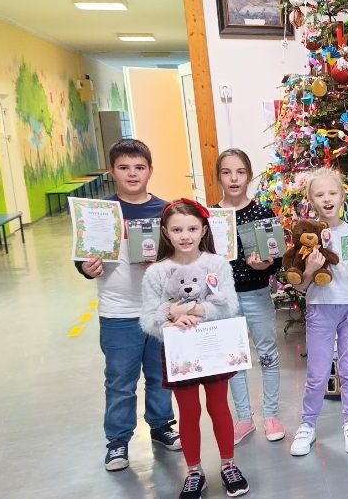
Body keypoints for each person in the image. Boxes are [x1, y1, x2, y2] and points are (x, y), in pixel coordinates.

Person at [74, 138, 181, 471]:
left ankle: (162, 426)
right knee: (120, 379)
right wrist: (85, 268)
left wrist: (162, 267)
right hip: (117, 312)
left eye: (139, 167)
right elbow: (83, 258)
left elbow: (182, 258)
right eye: (124, 168)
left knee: (161, 375)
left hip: (159, 310)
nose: (132, 174)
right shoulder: (99, 213)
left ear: (150, 170)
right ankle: (118, 442)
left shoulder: (165, 211)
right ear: (112, 171)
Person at [140, 199, 249, 498]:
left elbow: (230, 305)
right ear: (165, 232)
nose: (185, 235)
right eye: (177, 229)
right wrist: (170, 315)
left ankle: (228, 464)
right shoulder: (157, 272)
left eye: (191, 228)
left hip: (214, 348)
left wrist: (197, 310)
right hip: (181, 354)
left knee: (218, 406)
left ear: (203, 230)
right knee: (188, 411)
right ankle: (194, 471)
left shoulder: (217, 264)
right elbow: (148, 319)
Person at [288, 168, 348, 457]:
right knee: (317, 372)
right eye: (319, 194)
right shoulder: (306, 236)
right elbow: (300, 287)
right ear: (311, 201)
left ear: (342, 196)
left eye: (332, 192)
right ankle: (307, 425)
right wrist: (311, 269)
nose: (327, 199)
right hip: (319, 311)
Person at [213, 148, 285, 444]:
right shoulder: (210, 216)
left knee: (267, 355)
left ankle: (270, 415)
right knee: (235, 360)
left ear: (249, 176)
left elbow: (277, 257)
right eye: (227, 172)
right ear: (219, 176)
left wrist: (267, 263)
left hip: (256, 295)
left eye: (240, 172)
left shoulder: (262, 213)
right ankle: (244, 418)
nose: (233, 178)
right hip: (224, 300)